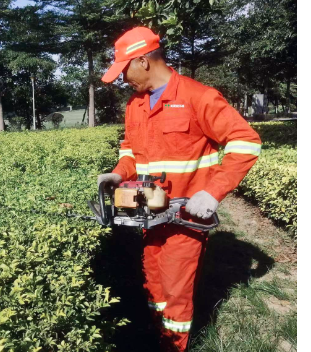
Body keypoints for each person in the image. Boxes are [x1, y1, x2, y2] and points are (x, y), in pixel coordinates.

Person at [97, 26, 262, 351]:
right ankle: (161, 336)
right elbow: (131, 150)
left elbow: (247, 142)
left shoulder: (198, 97)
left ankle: (175, 344)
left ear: (143, 61)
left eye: (124, 69)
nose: (122, 79)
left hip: (185, 219)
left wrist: (213, 192)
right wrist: (119, 174)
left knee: (175, 290)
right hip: (149, 214)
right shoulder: (135, 105)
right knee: (153, 282)